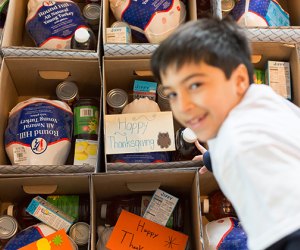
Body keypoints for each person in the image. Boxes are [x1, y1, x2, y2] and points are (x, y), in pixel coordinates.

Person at [151, 17, 300, 250]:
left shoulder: (241, 143)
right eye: (173, 94)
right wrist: (212, 158)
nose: (184, 106)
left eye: (194, 86)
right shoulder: (260, 98)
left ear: (239, 80)